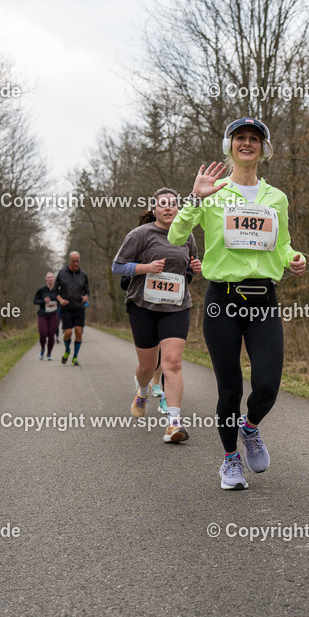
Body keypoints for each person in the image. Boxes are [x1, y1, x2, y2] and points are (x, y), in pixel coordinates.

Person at [168, 117, 306, 489]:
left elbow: (282, 245)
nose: (248, 143)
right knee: (229, 389)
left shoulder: (275, 198)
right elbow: (176, 234)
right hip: (222, 302)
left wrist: (293, 258)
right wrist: (196, 198)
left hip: (264, 300)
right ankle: (230, 460)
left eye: (255, 139)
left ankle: (250, 428)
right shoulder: (214, 191)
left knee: (266, 386)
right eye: (240, 138)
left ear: (264, 148)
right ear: (229, 146)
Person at [113, 188, 201, 443]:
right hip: (143, 307)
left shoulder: (186, 235)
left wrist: (194, 267)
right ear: (154, 209)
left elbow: (187, 271)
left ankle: (174, 424)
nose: (168, 208)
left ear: (178, 208)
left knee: (172, 363)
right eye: (162, 204)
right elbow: (117, 266)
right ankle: (142, 390)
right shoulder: (140, 234)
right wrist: (146, 268)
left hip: (176, 306)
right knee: (147, 366)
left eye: (173, 204)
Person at [55, 251, 90, 365]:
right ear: (69, 261)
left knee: (78, 332)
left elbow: (87, 292)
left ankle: (75, 357)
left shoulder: (83, 275)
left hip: (79, 308)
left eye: (77, 261)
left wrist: (86, 297)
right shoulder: (62, 273)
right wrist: (60, 300)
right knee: (68, 333)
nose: (75, 263)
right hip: (66, 308)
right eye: (73, 261)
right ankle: (67, 350)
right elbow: (56, 291)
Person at [33, 271, 60, 360]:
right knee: (43, 333)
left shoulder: (58, 290)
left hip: (53, 314)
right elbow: (35, 301)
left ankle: (49, 353)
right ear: (46, 279)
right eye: (48, 277)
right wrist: (43, 301)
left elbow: (62, 301)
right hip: (43, 314)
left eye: (51, 277)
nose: (50, 279)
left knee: (51, 334)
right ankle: (42, 349)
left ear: (54, 278)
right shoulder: (41, 290)